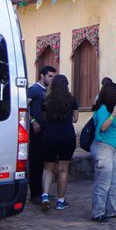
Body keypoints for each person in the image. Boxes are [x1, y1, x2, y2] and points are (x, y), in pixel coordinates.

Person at [40, 74, 78, 211]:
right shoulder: (71, 100)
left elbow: (44, 117)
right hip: (67, 136)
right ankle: (60, 201)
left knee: (48, 168)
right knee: (63, 170)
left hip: (50, 135)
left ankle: (44, 196)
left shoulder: (47, 100)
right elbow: (75, 119)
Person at [90, 82, 116, 222]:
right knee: (102, 182)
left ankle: (112, 210)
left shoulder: (111, 109)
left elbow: (114, 126)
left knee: (113, 182)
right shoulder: (102, 109)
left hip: (111, 149)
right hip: (102, 148)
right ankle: (98, 212)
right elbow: (103, 128)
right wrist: (114, 113)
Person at [27, 65, 56, 204]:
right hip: (36, 130)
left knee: (45, 161)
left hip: (47, 130)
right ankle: (35, 194)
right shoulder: (33, 90)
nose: (51, 79)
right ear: (42, 76)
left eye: (53, 77)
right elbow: (23, 107)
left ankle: (43, 192)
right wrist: (33, 121)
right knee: (36, 162)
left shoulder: (50, 91)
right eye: (50, 76)